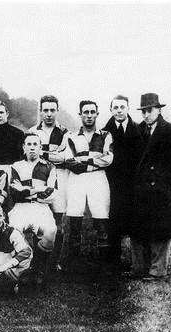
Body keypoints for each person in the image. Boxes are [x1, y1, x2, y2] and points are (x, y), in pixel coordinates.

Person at [129, 93, 171, 281]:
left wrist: (160, 176)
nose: (146, 115)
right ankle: (139, 268)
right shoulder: (138, 130)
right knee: (139, 228)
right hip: (141, 189)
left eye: (150, 110)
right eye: (143, 111)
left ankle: (157, 270)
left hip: (162, 190)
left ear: (159, 109)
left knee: (160, 230)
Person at [63, 100, 113, 271]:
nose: (89, 115)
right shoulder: (70, 136)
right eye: (86, 112)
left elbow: (108, 159)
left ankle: (104, 265)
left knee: (101, 218)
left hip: (98, 179)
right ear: (80, 115)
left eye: (92, 112)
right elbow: (69, 161)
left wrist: (84, 159)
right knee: (75, 219)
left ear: (97, 114)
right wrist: (94, 161)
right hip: (76, 179)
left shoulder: (105, 135)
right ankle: (74, 265)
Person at [8, 133, 58, 285]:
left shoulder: (49, 167)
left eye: (35, 144)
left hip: (40, 207)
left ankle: (38, 268)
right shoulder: (16, 166)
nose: (32, 148)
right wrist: (38, 189)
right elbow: (15, 194)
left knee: (50, 231)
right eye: (28, 144)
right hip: (20, 208)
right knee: (13, 232)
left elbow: (51, 194)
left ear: (40, 148)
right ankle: (17, 271)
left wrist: (26, 189)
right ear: (23, 147)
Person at [102, 95, 144, 270]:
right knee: (113, 221)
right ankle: (113, 261)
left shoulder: (139, 130)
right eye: (116, 107)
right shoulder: (104, 132)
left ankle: (138, 262)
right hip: (112, 183)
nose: (119, 110)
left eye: (122, 107)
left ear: (128, 108)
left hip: (133, 183)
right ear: (111, 110)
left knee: (135, 220)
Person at [29, 95, 69, 269]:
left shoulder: (65, 132)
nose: (49, 114)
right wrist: (51, 155)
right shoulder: (32, 131)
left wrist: (42, 153)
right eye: (45, 110)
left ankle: (53, 262)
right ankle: (37, 261)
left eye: (52, 110)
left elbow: (64, 157)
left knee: (58, 222)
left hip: (60, 177)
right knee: (39, 220)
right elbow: (29, 155)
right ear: (40, 111)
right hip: (38, 177)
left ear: (57, 111)